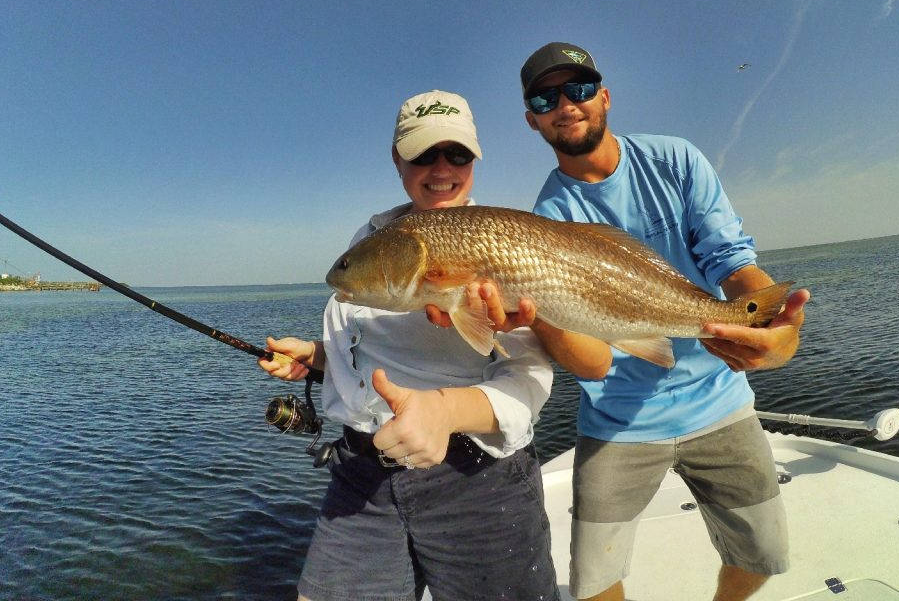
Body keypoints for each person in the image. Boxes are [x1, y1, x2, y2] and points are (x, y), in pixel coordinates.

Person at [431, 44, 809, 601]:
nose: (566, 104)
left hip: (721, 399)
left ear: (604, 96)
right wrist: (535, 318)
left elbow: (732, 262)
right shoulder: (546, 217)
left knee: (765, 555)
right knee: (594, 582)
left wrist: (774, 331)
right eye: (546, 97)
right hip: (616, 421)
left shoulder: (675, 160)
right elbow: (594, 359)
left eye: (579, 89)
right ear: (532, 119)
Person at [259, 90, 561, 601]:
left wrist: (444, 411)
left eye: (457, 153)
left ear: (475, 159)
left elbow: (531, 379)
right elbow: (366, 344)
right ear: (398, 161)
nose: (441, 168)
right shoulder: (376, 234)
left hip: (477, 479)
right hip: (360, 473)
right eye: (423, 154)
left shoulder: (513, 243)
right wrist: (319, 357)